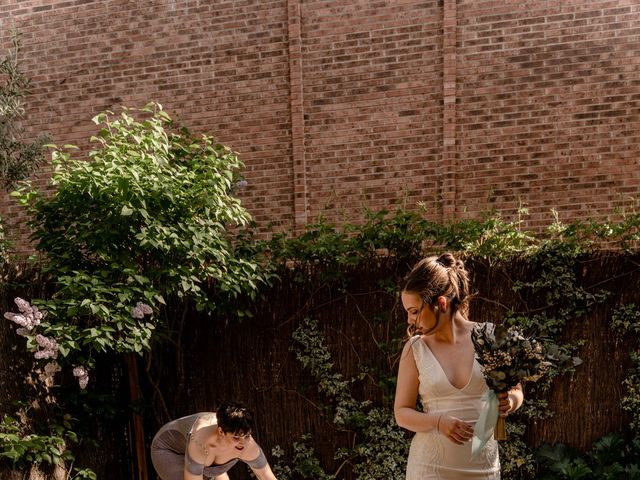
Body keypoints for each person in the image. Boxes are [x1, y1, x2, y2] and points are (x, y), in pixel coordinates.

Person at [394, 253, 524, 479]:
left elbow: (516, 390)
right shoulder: (415, 349)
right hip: (429, 469)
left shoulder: (490, 337)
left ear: (441, 303)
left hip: (483, 468)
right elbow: (401, 413)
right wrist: (438, 422)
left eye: (414, 311)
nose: (409, 321)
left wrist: (510, 402)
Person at [150, 401, 279, 480]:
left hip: (209, 460)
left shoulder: (248, 445)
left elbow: (267, 477)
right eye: (236, 437)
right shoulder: (200, 442)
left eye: (247, 436)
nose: (243, 442)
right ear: (221, 432)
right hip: (168, 452)